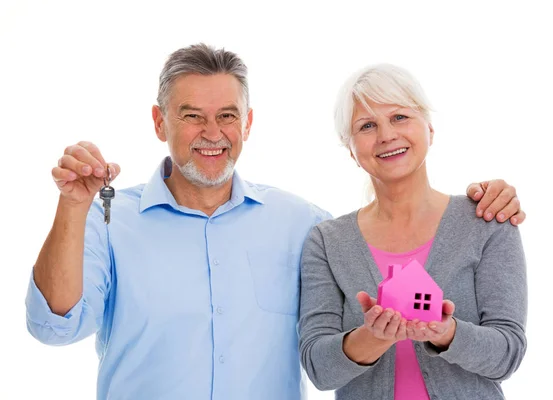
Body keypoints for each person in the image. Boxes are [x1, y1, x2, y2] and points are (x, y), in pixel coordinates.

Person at [26, 44, 525, 400]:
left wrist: (487, 202)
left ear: (247, 123)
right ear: (160, 123)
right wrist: (72, 207)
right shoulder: (106, 218)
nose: (212, 133)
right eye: (192, 116)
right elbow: (53, 327)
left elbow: (505, 349)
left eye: (226, 115)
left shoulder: (302, 224)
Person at [299, 64, 527, 400]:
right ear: (351, 150)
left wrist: (446, 332)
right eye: (367, 126)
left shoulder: (487, 219)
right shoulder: (326, 241)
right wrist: (373, 337)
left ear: (429, 129)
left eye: (400, 117)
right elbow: (319, 368)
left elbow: (507, 354)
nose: (387, 135)